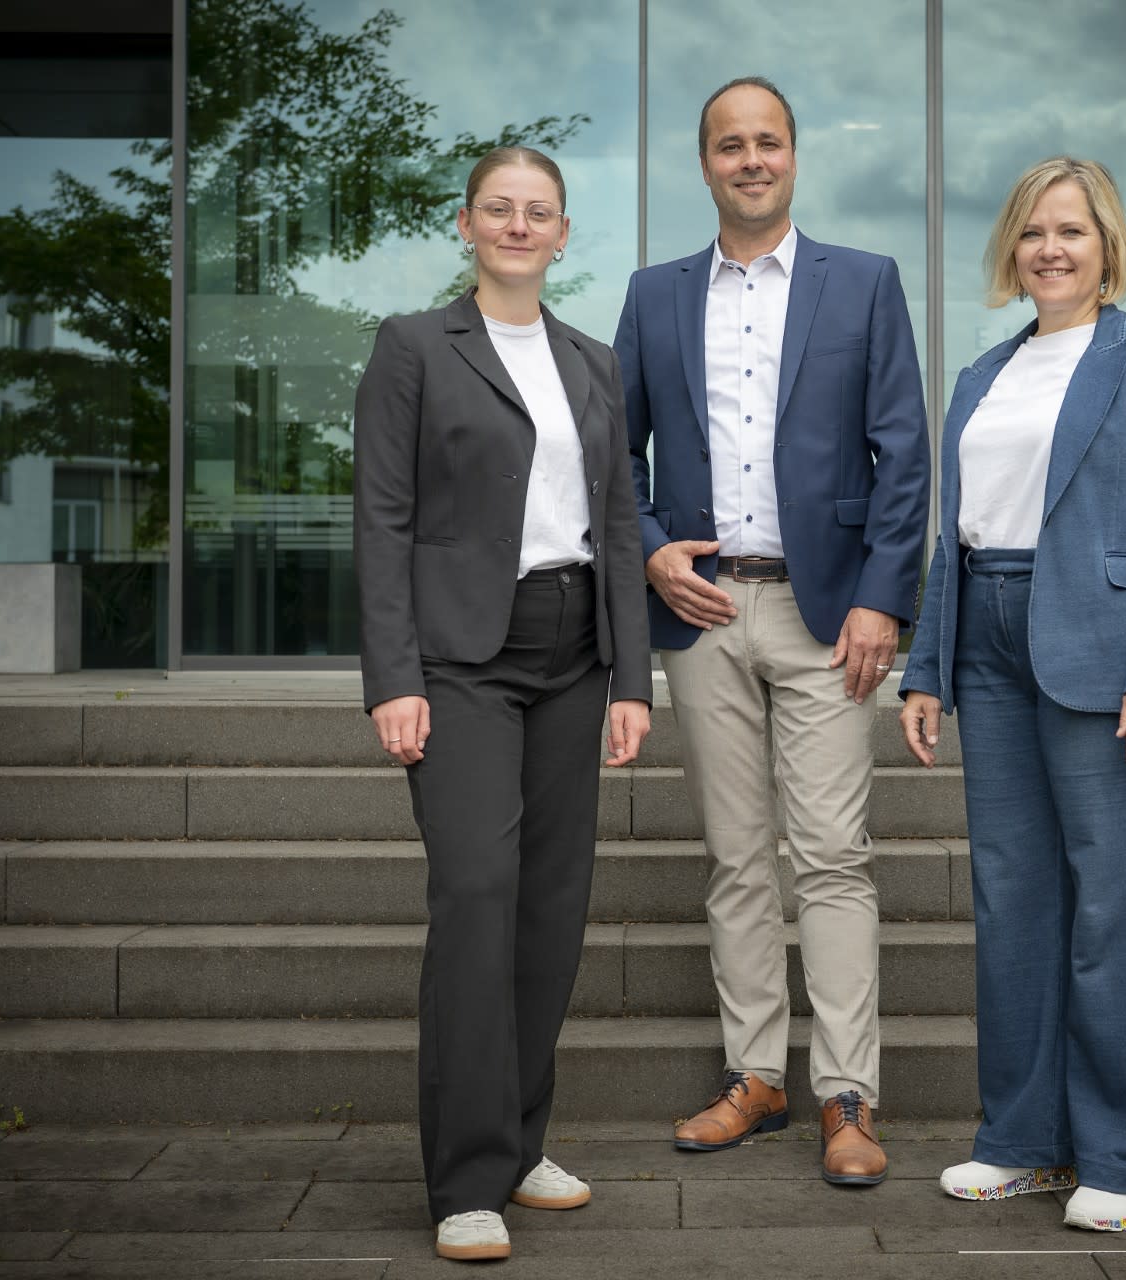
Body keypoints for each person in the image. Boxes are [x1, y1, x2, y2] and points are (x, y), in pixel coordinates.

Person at [615, 76, 928, 1186]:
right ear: (703, 164)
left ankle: (849, 1093)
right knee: (737, 858)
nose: (750, 159)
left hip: (827, 612)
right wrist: (651, 548)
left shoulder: (866, 283)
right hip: (702, 614)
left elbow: (905, 455)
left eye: (768, 142)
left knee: (833, 855)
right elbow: (619, 458)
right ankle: (757, 1076)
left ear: (795, 156)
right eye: (729, 145)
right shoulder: (654, 296)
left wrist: (885, 600)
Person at [898, 156, 1126, 1232]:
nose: (1050, 248)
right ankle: (1024, 1141)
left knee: (1113, 911)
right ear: (1012, 247)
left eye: (1072, 230)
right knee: (1015, 905)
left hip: (1102, 643)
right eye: (1033, 231)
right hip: (987, 639)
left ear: (1106, 243)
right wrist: (926, 667)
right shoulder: (985, 374)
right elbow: (958, 532)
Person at [353, 145, 652, 1262]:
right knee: (478, 891)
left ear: (564, 233)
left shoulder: (591, 359)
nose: (519, 226)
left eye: (540, 212)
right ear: (468, 224)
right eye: (500, 209)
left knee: (550, 905)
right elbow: (381, 518)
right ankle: (466, 1177)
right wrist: (394, 677)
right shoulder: (414, 347)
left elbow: (619, 522)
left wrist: (634, 678)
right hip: (462, 659)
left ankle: (523, 1143)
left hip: (575, 651)